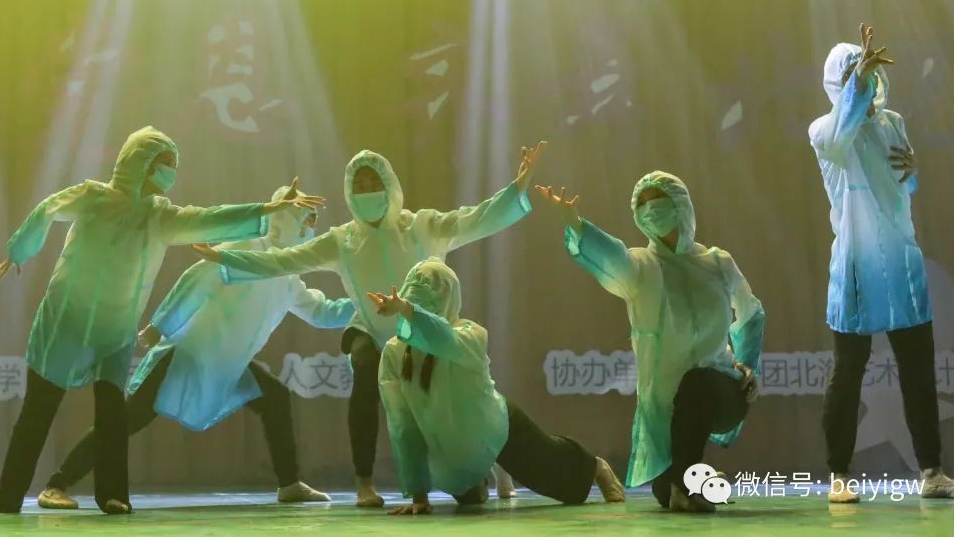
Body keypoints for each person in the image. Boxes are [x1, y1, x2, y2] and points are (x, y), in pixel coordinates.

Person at [0, 127, 323, 515]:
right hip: (65, 320)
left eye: (174, 164)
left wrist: (267, 209)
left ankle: (113, 496)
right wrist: (20, 249)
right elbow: (49, 208)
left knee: (113, 417)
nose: (171, 170)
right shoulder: (93, 196)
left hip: (115, 331)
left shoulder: (160, 217)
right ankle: (7, 496)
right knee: (38, 411)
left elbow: (209, 218)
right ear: (139, 160)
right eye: (164, 161)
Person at [193, 142, 546, 507]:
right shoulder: (342, 240)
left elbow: (475, 219)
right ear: (349, 192)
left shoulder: (422, 226)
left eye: (373, 183)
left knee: (461, 412)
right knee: (363, 367)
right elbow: (285, 260)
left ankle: (496, 464)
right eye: (358, 186)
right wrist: (226, 258)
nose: (366, 192)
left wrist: (517, 188)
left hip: (427, 333)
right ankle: (364, 482)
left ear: (389, 185)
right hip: (372, 331)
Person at [35, 183, 352, 510]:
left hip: (228, 364)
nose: (310, 227)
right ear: (285, 216)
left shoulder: (288, 275)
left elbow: (321, 312)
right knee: (128, 418)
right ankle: (57, 483)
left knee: (275, 397)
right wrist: (161, 326)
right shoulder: (246, 245)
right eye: (305, 217)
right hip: (185, 354)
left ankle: (289, 484)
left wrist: (362, 305)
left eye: (314, 220)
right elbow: (198, 278)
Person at [536, 172, 764, 514]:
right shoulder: (640, 267)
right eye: (641, 203)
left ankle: (687, 484)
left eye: (657, 199)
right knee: (663, 492)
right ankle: (692, 481)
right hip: (666, 405)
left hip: (721, 388)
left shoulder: (718, 263)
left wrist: (747, 366)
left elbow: (751, 314)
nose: (650, 208)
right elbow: (612, 256)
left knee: (697, 384)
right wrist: (576, 225)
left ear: (680, 204)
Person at [811, 25, 954, 501]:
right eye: (856, 75)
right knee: (848, 370)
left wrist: (913, 174)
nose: (868, 80)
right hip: (856, 262)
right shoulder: (826, 130)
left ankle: (932, 472)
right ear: (839, 84)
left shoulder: (893, 121)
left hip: (900, 258)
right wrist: (857, 79)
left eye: (870, 72)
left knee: (917, 368)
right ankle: (839, 475)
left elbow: (902, 183)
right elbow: (842, 133)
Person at [366, 257, 624, 515]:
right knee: (470, 499)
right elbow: (403, 425)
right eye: (414, 302)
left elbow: (441, 338)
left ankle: (595, 467)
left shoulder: (469, 333)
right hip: (456, 447)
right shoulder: (394, 352)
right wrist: (419, 496)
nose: (417, 311)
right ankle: (489, 471)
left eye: (424, 305)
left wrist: (408, 309)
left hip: (495, 426)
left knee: (554, 475)